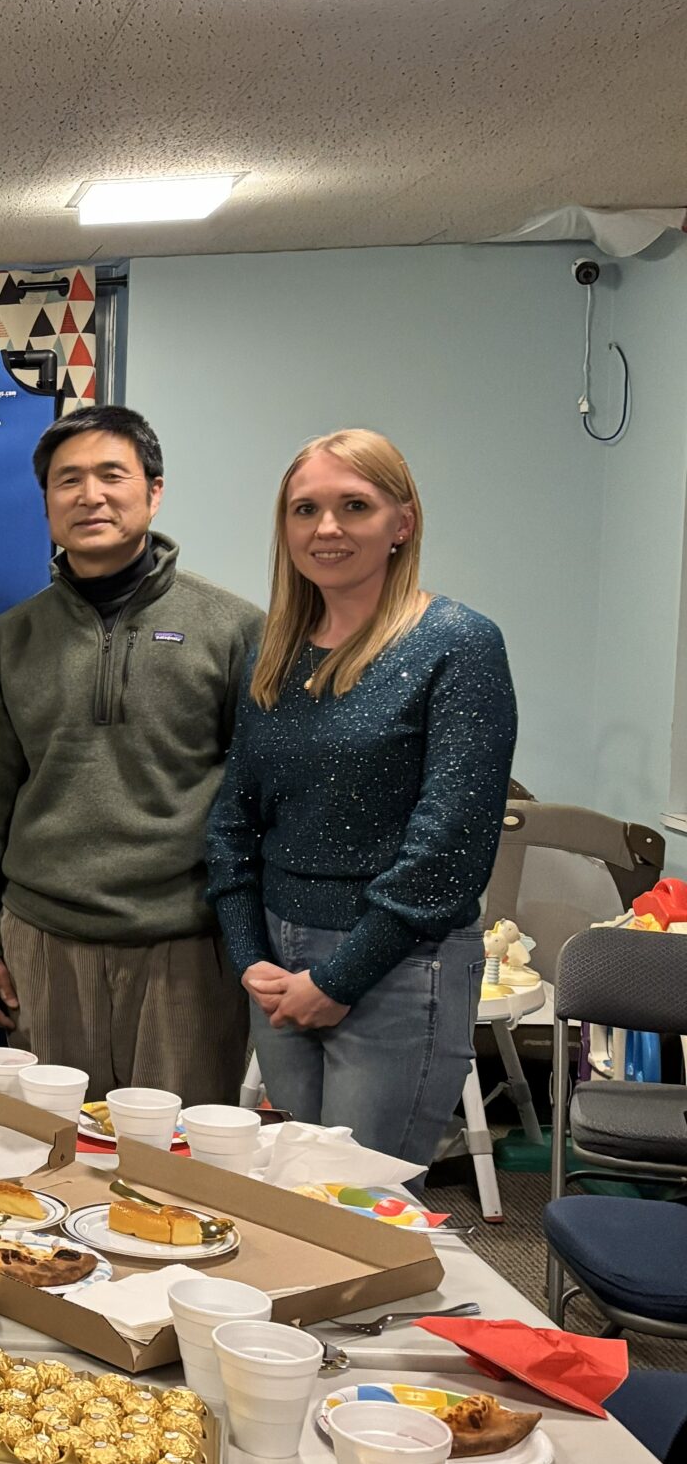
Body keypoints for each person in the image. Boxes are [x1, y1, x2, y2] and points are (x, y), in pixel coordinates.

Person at [208, 430, 515, 1162]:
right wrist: (250, 953)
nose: (328, 528)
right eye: (305, 509)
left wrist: (340, 978)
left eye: (355, 506)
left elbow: (450, 845)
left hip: (399, 966)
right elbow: (232, 818)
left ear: (401, 523)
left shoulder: (456, 644)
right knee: (297, 1190)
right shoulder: (274, 655)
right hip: (279, 965)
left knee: (358, 1202)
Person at [0, 405, 261, 1104]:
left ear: (153, 490)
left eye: (111, 475)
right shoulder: (10, 640)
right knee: (51, 1156)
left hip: (187, 948)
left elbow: (260, 800)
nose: (90, 495)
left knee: (179, 1166)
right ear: (47, 503)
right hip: (40, 944)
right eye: (67, 481)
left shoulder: (233, 629)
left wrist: (254, 943)